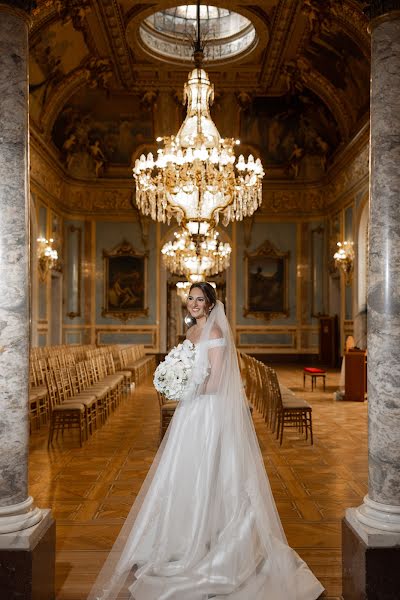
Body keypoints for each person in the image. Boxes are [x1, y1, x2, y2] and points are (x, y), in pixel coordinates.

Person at [88, 282, 324, 600]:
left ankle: (218, 543)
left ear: (212, 305)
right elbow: (189, 369)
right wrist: (176, 380)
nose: (194, 303)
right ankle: (184, 537)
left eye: (201, 300)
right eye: (191, 299)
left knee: (212, 472)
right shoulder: (191, 335)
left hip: (209, 413)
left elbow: (216, 381)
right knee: (184, 474)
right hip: (191, 412)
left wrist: (187, 388)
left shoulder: (214, 335)